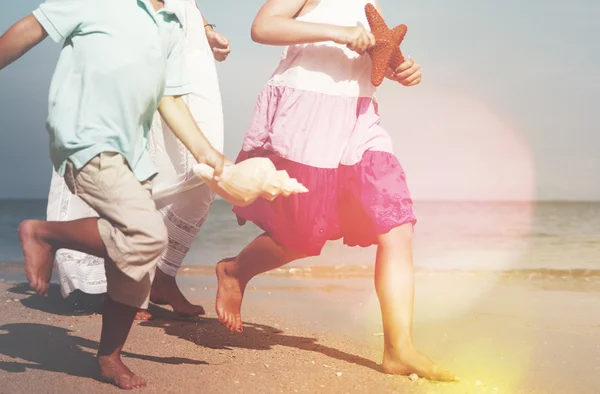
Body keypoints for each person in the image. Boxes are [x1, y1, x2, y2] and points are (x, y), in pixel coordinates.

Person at [214, 0, 458, 382]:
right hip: (308, 114)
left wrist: (402, 68)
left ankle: (399, 348)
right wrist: (338, 33)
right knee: (300, 238)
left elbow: (377, 50)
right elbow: (263, 26)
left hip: (360, 117)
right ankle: (234, 272)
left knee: (396, 224)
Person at [0, 0, 230, 388]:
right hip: (82, 136)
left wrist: (205, 151)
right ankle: (45, 233)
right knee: (147, 235)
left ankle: (109, 356)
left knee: (134, 259)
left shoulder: (171, 24)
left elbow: (169, 98)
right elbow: (29, 29)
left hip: (133, 153)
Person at [47, 0, 230, 321]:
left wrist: (204, 27)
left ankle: (161, 274)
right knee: (129, 144)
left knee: (201, 161)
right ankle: (115, 284)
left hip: (183, 31)